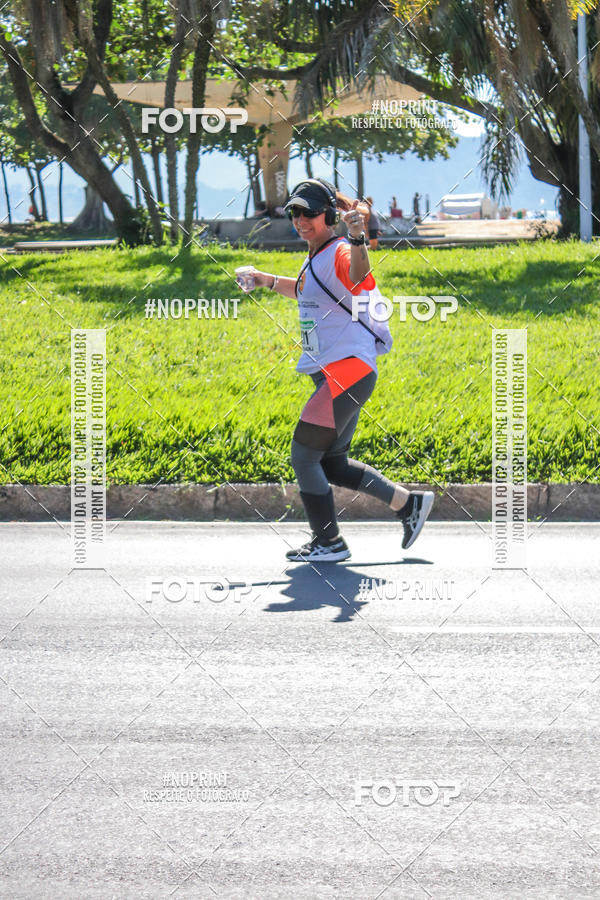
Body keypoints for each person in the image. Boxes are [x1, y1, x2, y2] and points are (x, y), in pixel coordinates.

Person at [242, 177, 434, 562]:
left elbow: (359, 276)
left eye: (309, 213)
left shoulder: (341, 250)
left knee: (303, 456)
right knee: (331, 463)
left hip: (346, 372)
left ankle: (329, 543)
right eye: (295, 212)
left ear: (328, 216)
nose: (300, 220)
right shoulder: (316, 255)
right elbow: (305, 290)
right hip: (342, 372)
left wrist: (359, 236)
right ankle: (407, 503)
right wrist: (265, 280)